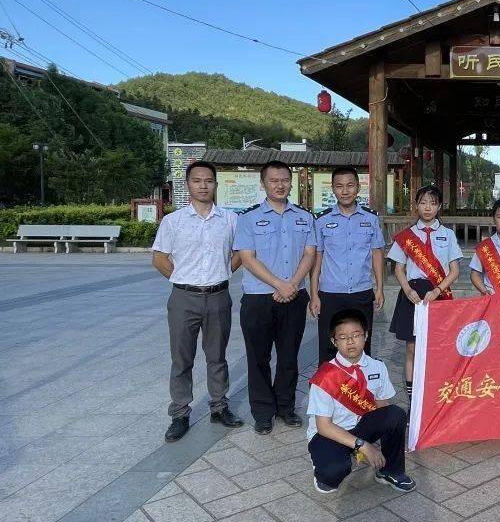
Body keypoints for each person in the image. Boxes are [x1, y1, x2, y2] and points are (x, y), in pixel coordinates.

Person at [152, 160, 245, 442]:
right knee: (182, 358)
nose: (203, 185)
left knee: (217, 356)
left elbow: (241, 252)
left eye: (208, 181)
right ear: (188, 185)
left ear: (216, 184)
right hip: (183, 298)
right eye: (197, 180)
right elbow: (159, 258)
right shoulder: (173, 221)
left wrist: (224, 272)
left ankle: (219, 407)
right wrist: (180, 278)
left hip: (218, 296)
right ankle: (180, 413)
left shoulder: (230, 220)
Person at [234, 160, 317, 435]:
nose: (280, 185)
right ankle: (262, 412)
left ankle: (285, 407)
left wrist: (291, 285)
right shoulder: (247, 218)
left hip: (294, 295)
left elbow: (309, 253)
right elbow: (247, 258)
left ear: (290, 183)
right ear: (263, 184)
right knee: (258, 357)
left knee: (288, 356)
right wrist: (279, 284)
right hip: (259, 297)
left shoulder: (305, 217)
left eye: (284, 180)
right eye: (273, 180)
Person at [307, 308, 414, 494]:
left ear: (365, 336)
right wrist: (364, 446)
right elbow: (324, 426)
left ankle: (390, 471)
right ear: (334, 341)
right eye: (343, 337)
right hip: (330, 433)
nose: (350, 341)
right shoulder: (325, 376)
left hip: (361, 427)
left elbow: (383, 409)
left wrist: (389, 444)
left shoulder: (377, 367)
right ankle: (326, 461)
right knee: (331, 476)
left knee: (396, 414)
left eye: (356, 335)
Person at [387, 185, 461, 399]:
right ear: (417, 205)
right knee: (412, 347)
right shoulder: (406, 236)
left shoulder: (448, 235)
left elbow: (455, 270)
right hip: (413, 294)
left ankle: (435, 392)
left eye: (432, 203)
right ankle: (413, 397)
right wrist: (407, 289)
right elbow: (398, 268)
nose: (427, 207)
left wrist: (438, 289)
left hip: (439, 293)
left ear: (439, 206)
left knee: (438, 347)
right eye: (423, 203)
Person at [311, 166, 385, 362]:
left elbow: (377, 253)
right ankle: (328, 391)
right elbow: (317, 259)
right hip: (330, 293)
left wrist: (379, 288)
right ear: (333, 189)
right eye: (339, 186)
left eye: (350, 185)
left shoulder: (370, 219)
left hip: (362, 291)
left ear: (358, 187)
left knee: (362, 345)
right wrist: (314, 295)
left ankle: (359, 390)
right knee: (328, 346)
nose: (345, 191)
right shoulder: (322, 221)